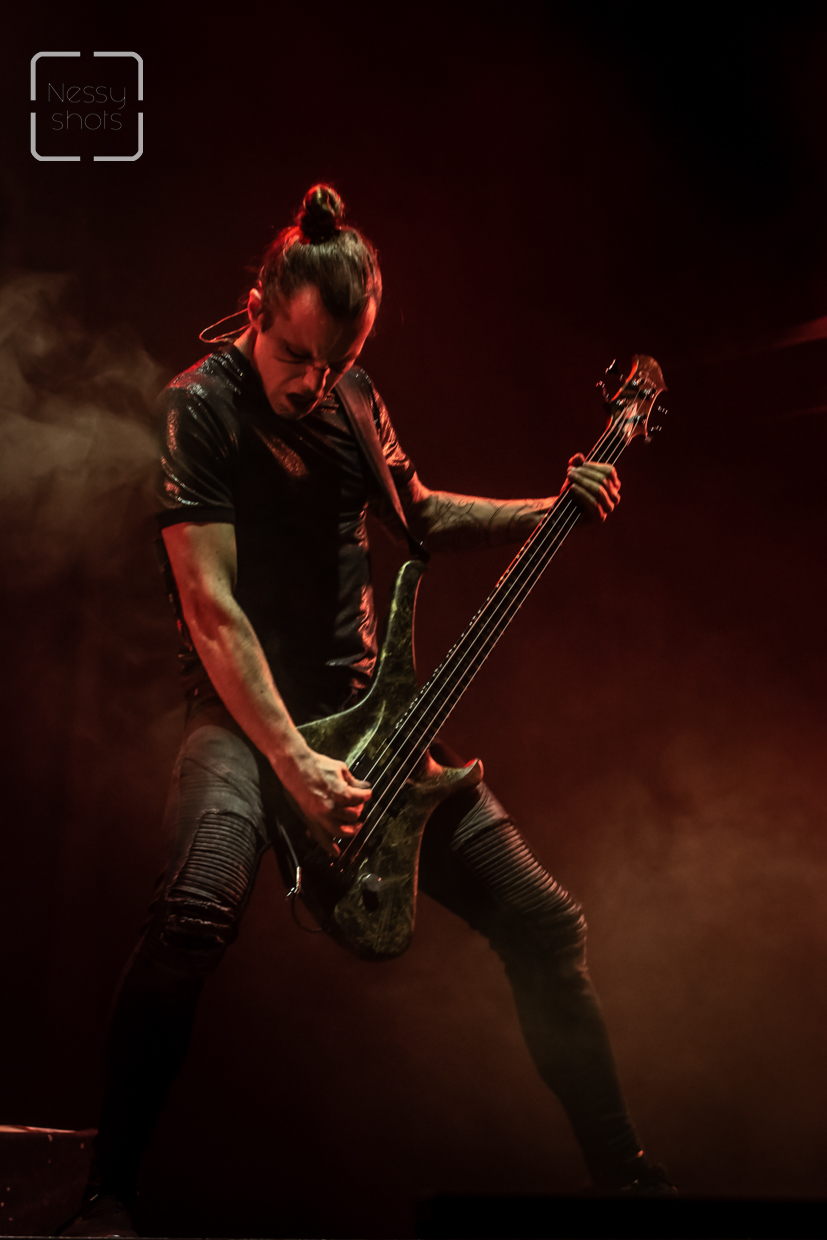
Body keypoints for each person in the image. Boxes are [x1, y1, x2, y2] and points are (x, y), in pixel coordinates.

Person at [61, 184, 674, 1239]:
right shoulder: (198, 409)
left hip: (366, 716)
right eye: (298, 356)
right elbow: (213, 614)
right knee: (193, 915)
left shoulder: (352, 396)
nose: (315, 382)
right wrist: (295, 764)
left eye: (338, 361)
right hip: (244, 722)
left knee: (544, 924)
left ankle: (626, 1183)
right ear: (256, 309)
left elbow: (417, 512)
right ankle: (106, 1197)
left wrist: (546, 508)